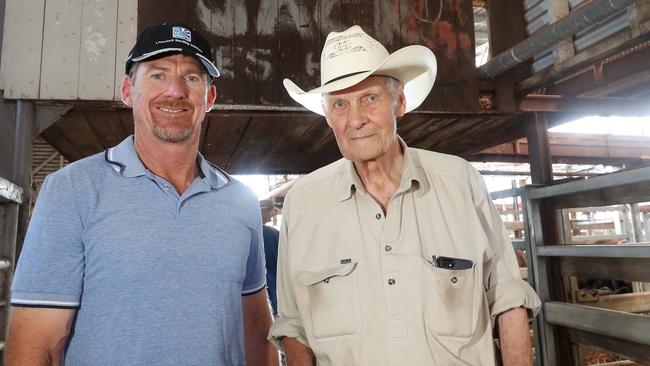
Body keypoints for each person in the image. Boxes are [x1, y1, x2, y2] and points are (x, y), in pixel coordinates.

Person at [268, 25, 542, 366]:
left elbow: (508, 298)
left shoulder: (459, 181)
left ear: (399, 102)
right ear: (327, 116)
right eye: (340, 104)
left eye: (370, 98)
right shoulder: (303, 203)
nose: (355, 120)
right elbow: (293, 328)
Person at [7, 23, 277, 366]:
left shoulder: (239, 200)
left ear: (209, 98)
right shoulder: (73, 189)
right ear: (127, 91)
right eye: (157, 75)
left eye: (192, 78)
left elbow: (255, 329)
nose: (175, 91)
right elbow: (36, 346)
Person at [259, 199, 280, 315]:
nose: (272, 216)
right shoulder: (273, 234)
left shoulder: (243, 233)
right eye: (271, 213)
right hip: (272, 290)